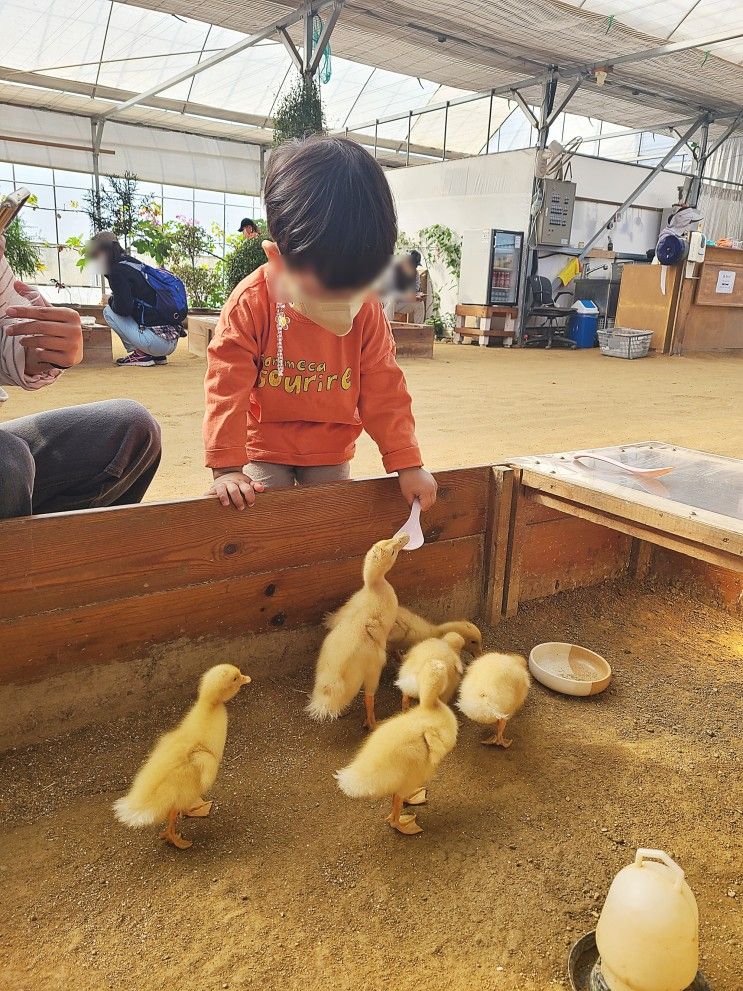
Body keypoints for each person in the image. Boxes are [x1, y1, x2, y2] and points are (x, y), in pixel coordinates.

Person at [203, 135, 437, 512]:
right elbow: (227, 387)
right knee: (266, 521)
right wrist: (227, 469)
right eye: (329, 282)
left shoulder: (368, 309)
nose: (343, 295)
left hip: (330, 448)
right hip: (265, 446)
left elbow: (383, 386)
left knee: (327, 523)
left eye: (356, 280)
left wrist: (407, 462)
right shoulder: (253, 302)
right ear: (279, 257)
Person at [0, 235, 162, 518]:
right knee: (7, 464)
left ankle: (71, 554)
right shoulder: (131, 267)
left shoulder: (118, 271)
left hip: (152, 335)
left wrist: (45, 350)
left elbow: (12, 327)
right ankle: (23, 560)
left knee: (135, 427)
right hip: (161, 336)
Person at [89, 231, 183, 368]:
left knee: (108, 311)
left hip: (156, 342)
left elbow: (123, 309)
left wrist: (110, 299)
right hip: (171, 341)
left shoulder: (116, 272)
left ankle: (141, 354)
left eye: (96, 255)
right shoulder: (132, 263)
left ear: (103, 252)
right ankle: (154, 355)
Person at [381, 250, 425, 322]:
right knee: (392, 298)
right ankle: (387, 327)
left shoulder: (415, 273)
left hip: (400, 303)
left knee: (420, 303)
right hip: (385, 302)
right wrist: (405, 295)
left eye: (416, 265)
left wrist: (418, 295)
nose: (414, 267)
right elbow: (389, 290)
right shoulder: (393, 269)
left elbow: (416, 289)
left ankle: (419, 330)